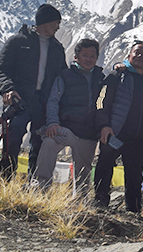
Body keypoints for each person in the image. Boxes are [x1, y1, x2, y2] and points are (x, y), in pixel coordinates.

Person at [0, 3, 67, 180]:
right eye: (56, 22)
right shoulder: (18, 42)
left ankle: (33, 183)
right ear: (45, 21)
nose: (58, 27)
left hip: (44, 102)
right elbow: (1, 70)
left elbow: (63, 77)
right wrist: (8, 89)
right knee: (13, 133)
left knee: (39, 141)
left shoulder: (57, 49)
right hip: (20, 99)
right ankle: (6, 178)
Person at [94, 40, 143, 213]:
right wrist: (104, 125)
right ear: (128, 56)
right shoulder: (116, 76)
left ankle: (133, 211)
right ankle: (100, 204)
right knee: (104, 166)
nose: (140, 56)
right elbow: (102, 102)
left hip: (140, 137)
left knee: (134, 175)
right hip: (114, 132)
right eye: (136, 52)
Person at [34, 38, 105, 193]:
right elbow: (53, 100)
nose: (88, 59)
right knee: (49, 143)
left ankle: (79, 205)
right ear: (76, 57)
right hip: (66, 129)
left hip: (89, 133)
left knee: (83, 175)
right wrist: (52, 122)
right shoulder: (65, 76)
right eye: (84, 55)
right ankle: (41, 189)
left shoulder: (100, 78)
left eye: (92, 56)